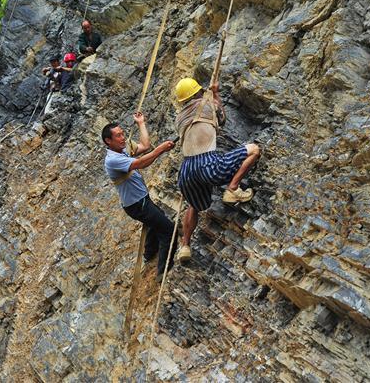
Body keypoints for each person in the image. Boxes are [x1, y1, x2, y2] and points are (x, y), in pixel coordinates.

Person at [173, 77, 261, 263]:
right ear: (197, 92)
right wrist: (216, 93)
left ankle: (185, 246)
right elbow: (222, 119)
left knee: (194, 205)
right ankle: (233, 189)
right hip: (207, 164)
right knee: (253, 149)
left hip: (186, 172)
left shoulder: (179, 118)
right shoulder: (206, 105)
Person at [103, 113, 177, 279]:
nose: (123, 138)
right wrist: (161, 150)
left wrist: (141, 123)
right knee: (168, 230)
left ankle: (149, 253)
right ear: (108, 141)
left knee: (155, 221)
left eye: (122, 134)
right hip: (136, 204)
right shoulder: (112, 160)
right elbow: (141, 163)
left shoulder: (123, 149)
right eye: (118, 135)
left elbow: (145, 145)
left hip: (140, 199)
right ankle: (162, 271)